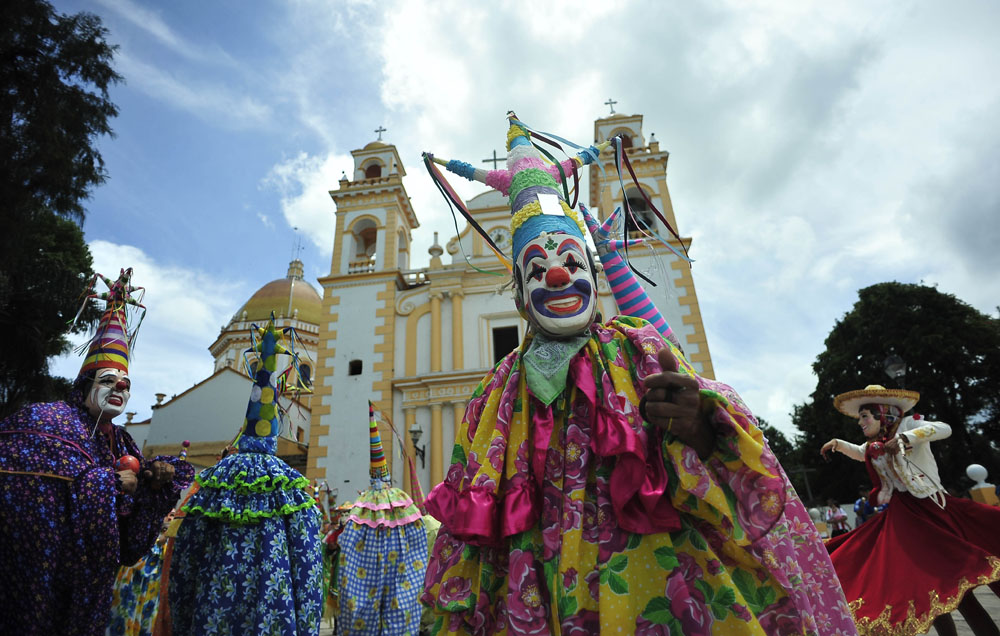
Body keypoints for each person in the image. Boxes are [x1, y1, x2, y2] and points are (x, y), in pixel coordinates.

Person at [419, 114, 857, 634]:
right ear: (517, 296)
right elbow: (472, 498)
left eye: (572, 264)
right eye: (536, 269)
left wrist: (698, 421)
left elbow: (716, 421)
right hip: (537, 581)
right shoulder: (494, 392)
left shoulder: (637, 346)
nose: (557, 275)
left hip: (649, 570)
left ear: (594, 276)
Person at [0, 268, 193, 636]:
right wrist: (107, 484)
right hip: (36, 580)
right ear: (85, 384)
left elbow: (127, 536)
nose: (118, 389)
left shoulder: (121, 440)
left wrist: (153, 484)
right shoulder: (47, 419)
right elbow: (29, 494)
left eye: (125, 385)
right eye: (108, 381)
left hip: (91, 587)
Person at [168, 316, 323, 635]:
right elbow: (308, 572)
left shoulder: (212, 483)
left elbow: (184, 564)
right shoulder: (290, 489)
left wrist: (183, 625)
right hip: (274, 620)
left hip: (211, 619)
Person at [821, 384, 1000, 636]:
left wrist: (907, 438)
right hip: (905, 517)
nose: (860, 422)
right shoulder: (874, 445)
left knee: (962, 580)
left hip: (934, 510)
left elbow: (944, 429)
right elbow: (860, 453)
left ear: (883, 414)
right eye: (860, 417)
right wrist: (838, 444)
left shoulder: (908, 425)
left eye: (865, 416)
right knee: (929, 588)